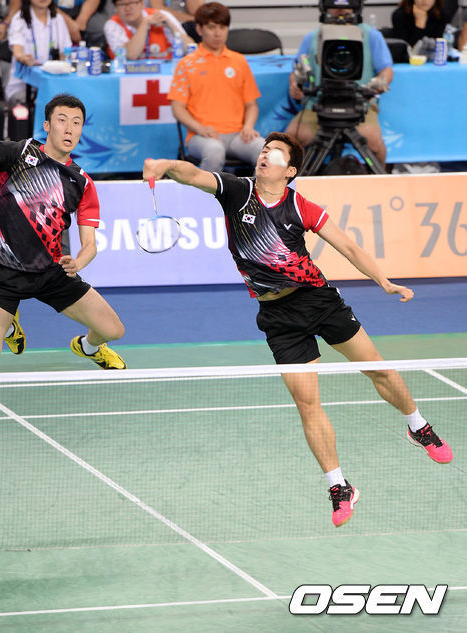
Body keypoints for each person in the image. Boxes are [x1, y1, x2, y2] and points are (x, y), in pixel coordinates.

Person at [142, 132, 453, 528]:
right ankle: (339, 486)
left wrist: (385, 282)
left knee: (377, 368)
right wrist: (165, 166)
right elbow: (193, 175)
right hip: (278, 317)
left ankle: (418, 426)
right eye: (264, 151)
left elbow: (349, 248)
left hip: (318, 300)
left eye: (274, 153)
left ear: (289, 171)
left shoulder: (300, 206)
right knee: (308, 403)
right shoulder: (238, 192)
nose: (264, 156)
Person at [0, 88, 127, 372]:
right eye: (62, 120)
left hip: (51, 272)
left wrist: (78, 263)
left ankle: (88, 347)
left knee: (114, 330)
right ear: (47, 125)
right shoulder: (20, 152)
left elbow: (90, 245)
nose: (69, 128)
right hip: (4, 273)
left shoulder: (82, 182)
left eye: (76, 122)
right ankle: (9, 326)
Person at [286, 3, 393, 167]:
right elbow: (296, 69)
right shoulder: (313, 37)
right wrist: (295, 85)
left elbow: (386, 69)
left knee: (375, 143)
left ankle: (381, 179)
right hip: (319, 104)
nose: (341, 7)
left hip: (360, 104)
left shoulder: (371, 35)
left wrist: (380, 82)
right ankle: (293, 180)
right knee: (291, 139)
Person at [168, 2, 265, 173]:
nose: (218, 33)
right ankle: (205, 192)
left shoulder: (239, 61)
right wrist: (200, 128)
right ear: (199, 29)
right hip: (201, 136)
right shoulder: (187, 64)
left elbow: (251, 105)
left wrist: (248, 127)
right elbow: (177, 108)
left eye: (222, 27)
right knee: (214, 151)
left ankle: (254, 191)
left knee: (265, 151)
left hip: (238, 135)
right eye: (211, 27)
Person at [6, 0, 72, 107]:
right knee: (46, 105)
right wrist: (24, 58)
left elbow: (65, 54)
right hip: (24, 87)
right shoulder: (19, 18)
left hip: (52, 85)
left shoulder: (58, 19)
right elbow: (18, 53)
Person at [104, 0, 190, 60]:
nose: (128, 8)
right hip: (128, 76)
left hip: (166, 72)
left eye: (132, 3)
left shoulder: (162, 15)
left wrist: (171, 25)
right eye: (122, 4)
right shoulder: (112, 25)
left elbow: (189, 48)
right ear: (115, 8)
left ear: (142, 4)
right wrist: (144, 23)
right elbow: (131, 55)